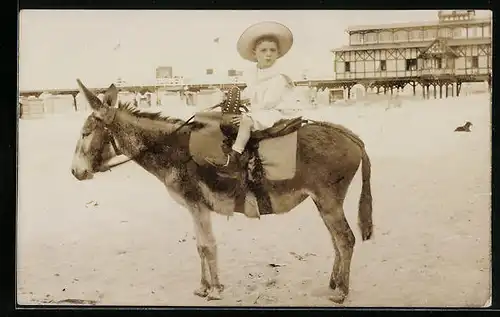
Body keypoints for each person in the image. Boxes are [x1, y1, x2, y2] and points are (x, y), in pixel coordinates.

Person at [214, 21, 296, 178]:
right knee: (229, 119)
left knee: (246, 121)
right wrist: (239, 101)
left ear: (278, 53)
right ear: (254, 53)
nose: (268, 54)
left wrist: (248, 114)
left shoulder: (279, 77)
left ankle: (235, 158)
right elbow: (252, 93)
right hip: (263, 110)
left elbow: (269, 102)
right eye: (263, 50)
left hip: (279, 111)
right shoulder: (254, 74)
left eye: (273, 50)